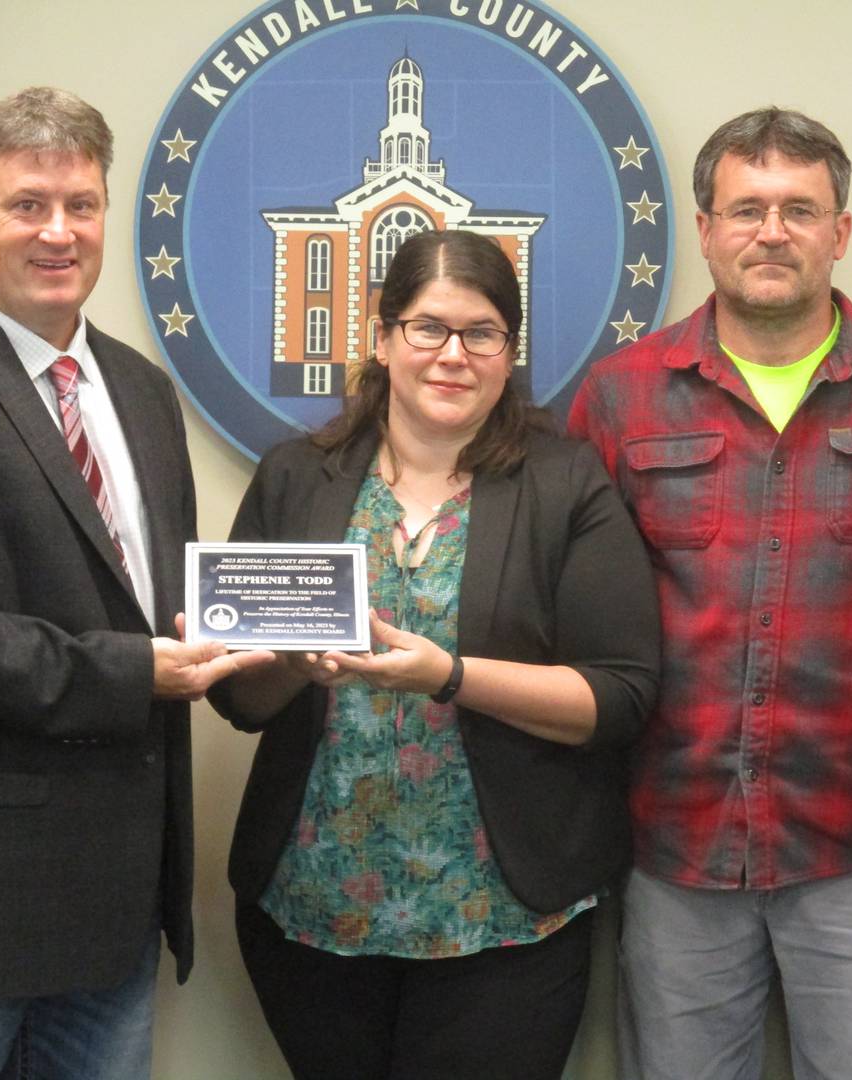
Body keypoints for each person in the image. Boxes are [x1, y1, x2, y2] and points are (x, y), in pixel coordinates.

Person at [567, 107, 852, 1080]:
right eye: (746, 208)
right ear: (707, 228)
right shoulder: (620, 396)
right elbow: (588, 625)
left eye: (800, 209)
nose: (771, 231)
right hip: (676, 846)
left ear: (841, 233)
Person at [0, 87, 269, 1079]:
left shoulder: (138, 389)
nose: (60, 231)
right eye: (28, 204)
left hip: (112, 909)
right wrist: (137, 674)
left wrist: (262, 636)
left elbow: (152, 595)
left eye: (81, 204)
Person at [210, 228, 661, 1080]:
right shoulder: (297, 477)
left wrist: (448, 676)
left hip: (503, 919)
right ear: (384, 341)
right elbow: (238, 697)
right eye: (427, 328)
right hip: (314, 909)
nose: (453, 355)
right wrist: (290, 666)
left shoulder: (566, 485)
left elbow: (620, 698)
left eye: (481, 333)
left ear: (509, 351)